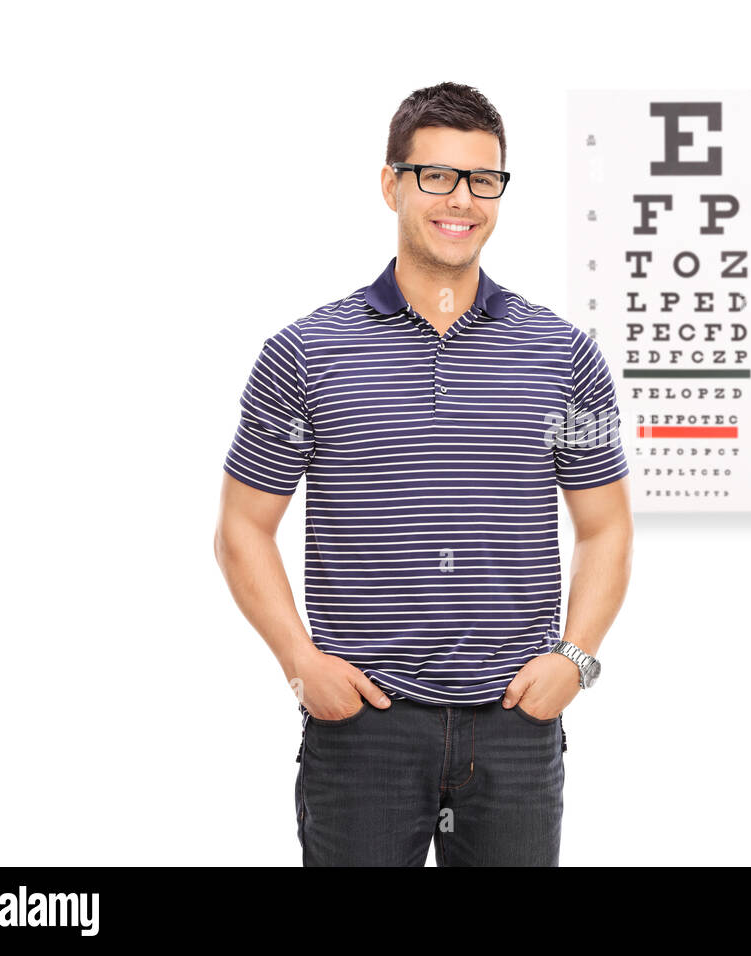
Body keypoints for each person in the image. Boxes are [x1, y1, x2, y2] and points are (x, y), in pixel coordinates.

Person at [213, 82, 634, 866]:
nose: (462, 200)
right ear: (391, 183)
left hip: (517, 726)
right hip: (363, 727)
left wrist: (574, 660)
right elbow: (243, 528)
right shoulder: (304, 353)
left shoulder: (563, 355)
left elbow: (606, 527)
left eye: (483, 179)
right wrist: (301, 663)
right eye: (436, 175)